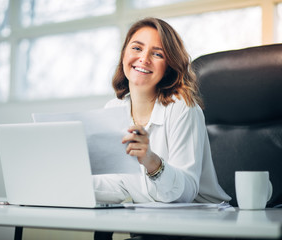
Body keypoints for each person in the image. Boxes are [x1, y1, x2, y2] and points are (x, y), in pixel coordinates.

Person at [93, 17, 231, 240]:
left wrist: (151, 161)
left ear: (168, 67)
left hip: (201, 229)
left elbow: (185, 193)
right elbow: (116, 184)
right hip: (150, 227)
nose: (144, 58)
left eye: (157, 54)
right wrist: (52, 186)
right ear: (124, 55)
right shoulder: (113, 110)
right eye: (136, 48)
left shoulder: (183, 108)